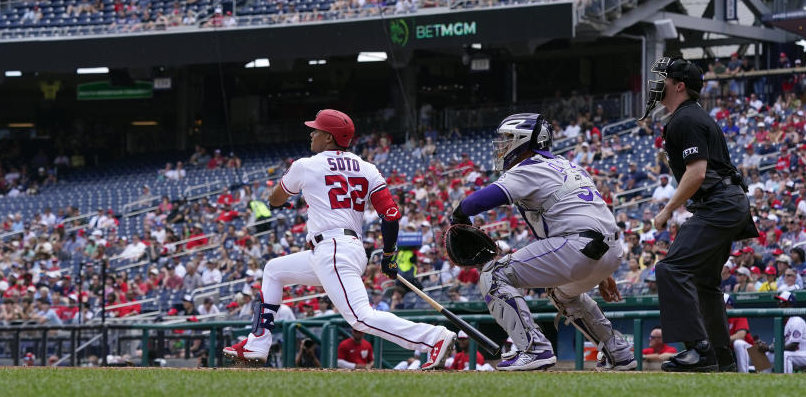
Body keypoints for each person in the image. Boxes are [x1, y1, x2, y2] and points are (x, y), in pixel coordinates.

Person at [223, 109, 455, 369]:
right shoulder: (367, 168)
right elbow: (391, 215)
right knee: (274, 270)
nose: (312, 133)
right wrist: (389, 254)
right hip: (345, 249)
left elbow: (275, 199)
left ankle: (433, 338)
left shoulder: (306, 165)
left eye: (317, 130)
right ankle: (258, 343)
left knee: (359, 318)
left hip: (332, 249)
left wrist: (285, 197)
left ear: (329, 138)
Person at [447, 113, 635, 371]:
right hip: (608, 248)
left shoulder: (528, 167)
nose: (502, 145)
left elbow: (476, 202)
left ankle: (534, 349)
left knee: (494, 273)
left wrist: (457, 216)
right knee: (561, 292)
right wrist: (603, 272)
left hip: (578, 246)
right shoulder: (567, 165)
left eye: (508, 139)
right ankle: (619, 352)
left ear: (523, 141)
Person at [642, 57, 758, 372]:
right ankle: (723, 360)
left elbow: (696, 173)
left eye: (663, 78)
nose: (657, 83)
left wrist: (667, 209)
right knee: (706, 283)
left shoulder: (686, 119)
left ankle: (699, 350)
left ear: (679, 86)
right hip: (725, 202)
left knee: (670, 270)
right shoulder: (688, 117)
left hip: (719, 203)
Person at [724, 294, 755, 373]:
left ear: (729, 306)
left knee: (738, 343)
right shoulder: (717, 319)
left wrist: (722, 340)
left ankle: (743, 374)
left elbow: (741, 335)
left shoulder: (737, 314)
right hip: (736, 355)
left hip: (754, 353)